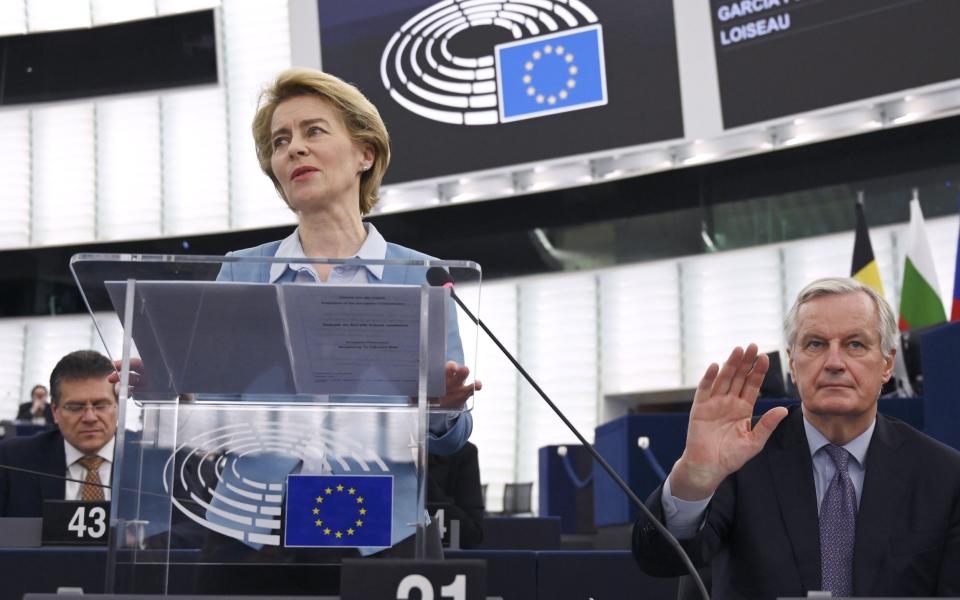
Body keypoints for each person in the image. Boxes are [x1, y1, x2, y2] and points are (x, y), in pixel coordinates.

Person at [632, 277, 960, 598]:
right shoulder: (740, 452)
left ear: (887, 363)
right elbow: (661, 559)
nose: (834, 363)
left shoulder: (944, 474)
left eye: (855, 345)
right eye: (815, 344)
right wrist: (695, 479)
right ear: (792, 362)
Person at [216, 67, 479, 454]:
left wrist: (440, 412)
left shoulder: (423, 277)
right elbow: (211, 406)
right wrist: (173, 389)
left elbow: (451, 439)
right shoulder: (240, 272)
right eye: (280, 141)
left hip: (374, 506)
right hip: (255, 507)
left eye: (314, 131)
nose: (295, 149)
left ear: (365, 153)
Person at [0, 350, 118, 517]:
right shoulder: (10, 460)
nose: (90, 417)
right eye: (75, 407)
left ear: (118, 406)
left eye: (101, 405)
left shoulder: (155, 462)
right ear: (55, 411)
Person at [428, 441, 485, 549]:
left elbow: (473, 535)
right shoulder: (388, 454)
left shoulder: (463, 453)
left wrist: (420, 477)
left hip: (444, 557)